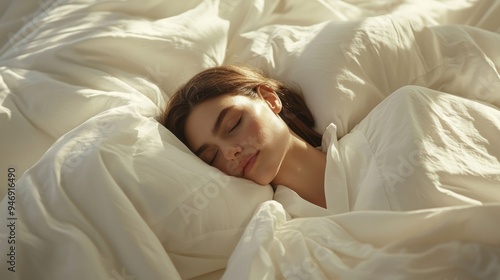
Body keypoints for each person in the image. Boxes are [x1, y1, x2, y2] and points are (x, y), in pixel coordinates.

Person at [159, 65, 328, 207]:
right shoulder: (273, 234)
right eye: (211, 157)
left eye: (233, 124)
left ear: (269, 99)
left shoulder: (355, 149)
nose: (229, 152)